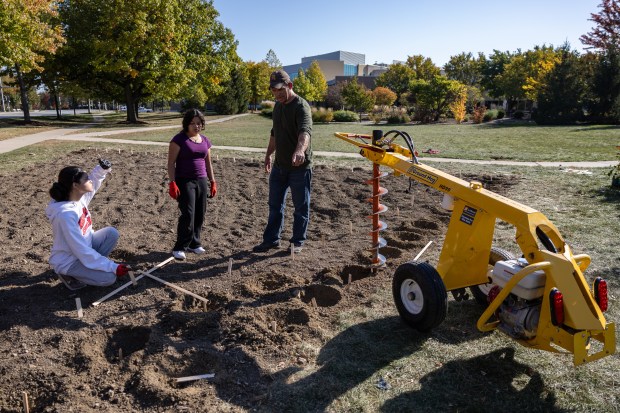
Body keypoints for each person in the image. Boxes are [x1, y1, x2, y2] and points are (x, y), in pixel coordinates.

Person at [253, 69, 313, 254]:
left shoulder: (301, 106)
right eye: (273, 90)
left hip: (299, 168)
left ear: (290, 86)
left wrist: (299, 150)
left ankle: (297, 242)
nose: (276, 94)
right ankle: (271, 240)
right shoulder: (278, 106)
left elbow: (305, 132)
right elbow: (274, 133)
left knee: (300, 207)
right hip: (279, 167)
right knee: (274, 206)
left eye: (280, 89)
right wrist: (268, 154)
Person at [46, 159, 129, 290]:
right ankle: (68, 275)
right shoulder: (65, 215)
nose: (90, 180)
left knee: (111, 233)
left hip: (84, 248)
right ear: (75, 185)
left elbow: (93, 183)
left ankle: (89, 267)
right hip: (69, 260)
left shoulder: (76, 198)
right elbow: (80, 250)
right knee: (109, 278)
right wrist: (112, 267)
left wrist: (101, 170)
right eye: (86, 179)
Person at [167, 108, 217, 260]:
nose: (196, 126)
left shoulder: (205, 140)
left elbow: (208, 163)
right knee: (188, 214)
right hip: (185, 181)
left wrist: (212, 181)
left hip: (201, 180)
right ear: (186, 124)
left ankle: (194, 243)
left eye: (199, 123)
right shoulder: (179, 140)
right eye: (193, 123)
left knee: (200, 214)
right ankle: (180, 246)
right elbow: (171, 163)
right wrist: (172, 182)